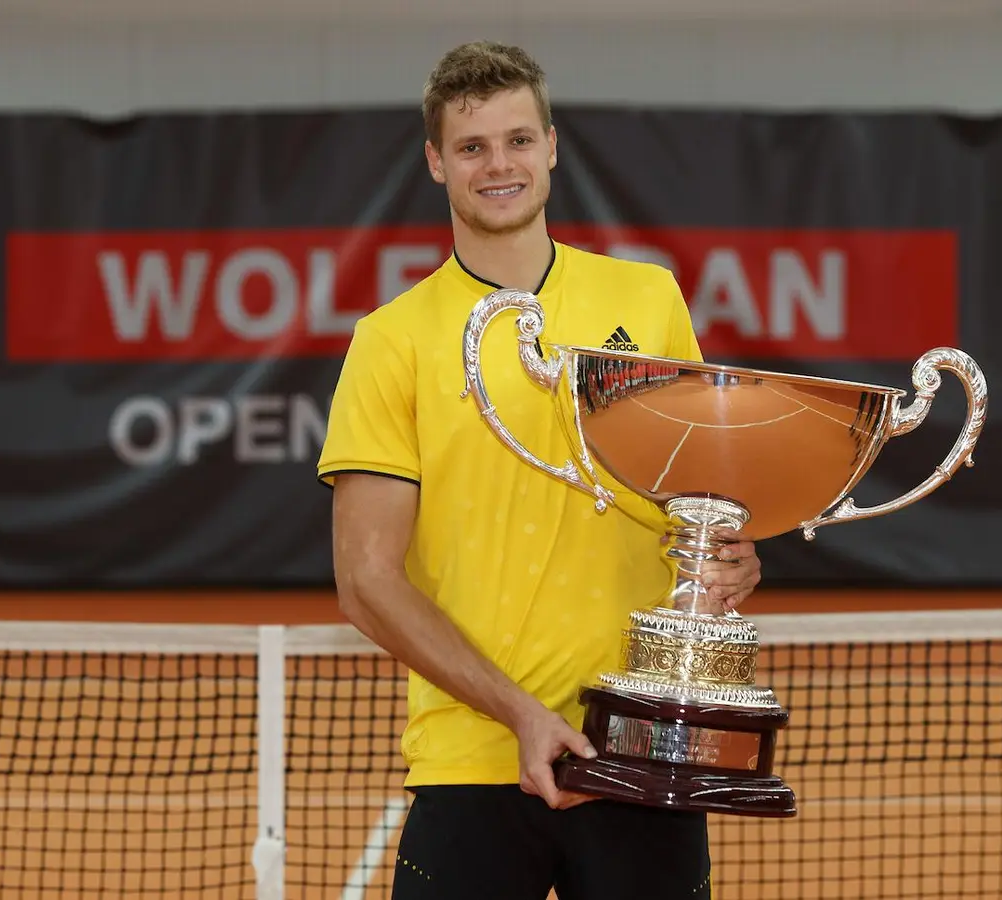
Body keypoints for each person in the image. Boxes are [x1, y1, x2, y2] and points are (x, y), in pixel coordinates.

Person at [316, 40, 763, 900]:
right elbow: (364, 580)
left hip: (638, 744)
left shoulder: (649, 302)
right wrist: (521, 716)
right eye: (473, 146)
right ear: (436, 163)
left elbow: (694, 502)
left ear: (552, 147)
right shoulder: (390, 341)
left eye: (519, 140)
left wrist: (729, 557)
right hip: (472, 763)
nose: (500, 165)